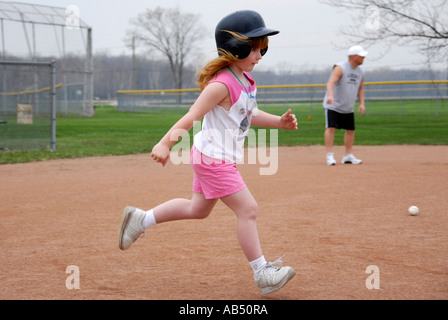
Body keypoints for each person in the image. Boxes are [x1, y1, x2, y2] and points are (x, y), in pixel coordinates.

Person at [118, 10, 297, 295]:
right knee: (248, 209)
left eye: (263, 48)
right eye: (253, 48)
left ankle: (141, 218)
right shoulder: (221, 84)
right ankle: (262, 272)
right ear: (234, 47)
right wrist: (166, 143)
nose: (259, 54)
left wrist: (278, 122)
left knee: (197, 209)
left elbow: (248, 115)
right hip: (214, 160)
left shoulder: (246, 81)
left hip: (211, 156)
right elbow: (192, 115)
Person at [323, 45, 367, 166]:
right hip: (334, 105)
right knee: (331, 128)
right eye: (361, 55)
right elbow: (330, 83)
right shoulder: (340, 67)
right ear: (353, 56)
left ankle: (347, 156)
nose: (364, 58)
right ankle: (330, 155)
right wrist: (331, 96)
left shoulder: (361, 71)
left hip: (348, 106)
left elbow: (361, 89)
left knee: (350, 130)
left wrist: (362, 103)